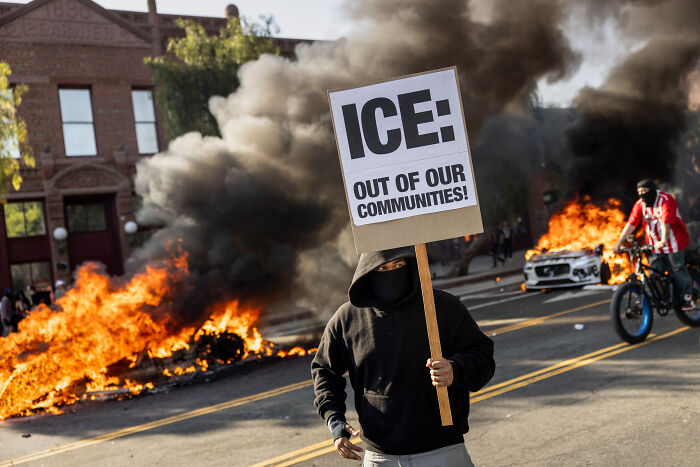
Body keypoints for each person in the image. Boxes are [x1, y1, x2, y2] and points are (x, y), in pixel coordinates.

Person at [311, 247, 495, 466]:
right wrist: (334, 419)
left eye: (399, 265)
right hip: (380, 456)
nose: (392, 273)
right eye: (383, 268)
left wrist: (456, 370)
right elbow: (324, 370)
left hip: (443, 450)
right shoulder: (347, 318)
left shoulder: (441, 306)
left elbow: (482, 356)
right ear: (368, 270)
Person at [614, 179, 694, 310]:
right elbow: (631, 224)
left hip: (674, 241)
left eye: (645, 191)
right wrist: (618, 243)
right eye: (639, 191)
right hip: (654, 244)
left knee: (678, 268)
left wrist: (663, 241)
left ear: (652, 190)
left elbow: (665, 224)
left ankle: (687, 297)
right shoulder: (640, 204)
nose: (642, 194)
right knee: (654, 272)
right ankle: (660, 297)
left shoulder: (665, 200)